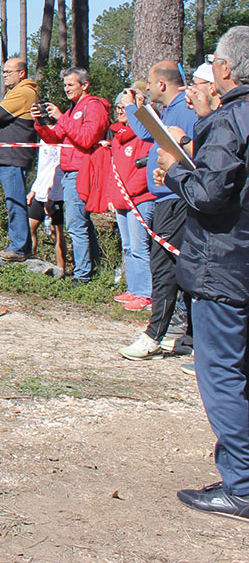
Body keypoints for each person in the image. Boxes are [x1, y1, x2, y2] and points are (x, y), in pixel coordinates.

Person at [155, 25, 249, 522]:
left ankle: (242, 487)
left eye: (213, 61)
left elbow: (210, 195)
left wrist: (175, 169)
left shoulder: (228, 120)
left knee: (222, 376)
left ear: (226, 69)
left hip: (224, 268)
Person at [119, 60, 199, 359]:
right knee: (179, 266)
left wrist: (131, 107)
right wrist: (137, 108)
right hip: (169, 197)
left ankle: (154, 335)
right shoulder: (173, 109)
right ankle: (189, 336)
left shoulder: (184, 110)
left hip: (175, 199)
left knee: (163, 265)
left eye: (151, 84)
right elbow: (149, 134)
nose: (149, 88)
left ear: (162, 84)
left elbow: (189, 151)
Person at [33, 67, 110, 283]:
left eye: (71, 85)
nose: (66, 89)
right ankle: (92, 269)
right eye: (65, 85)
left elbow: (87, 138)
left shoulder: (94, 107)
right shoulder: (71, 110)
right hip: (69, 172)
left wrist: (60, 118)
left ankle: (82, 275)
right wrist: (40, 122)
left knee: (75, 224)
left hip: (83, 171)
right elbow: (55, 138)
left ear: (84, 85)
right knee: (81, 222)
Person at [106, 89, 155, 317]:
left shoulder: (144, 134)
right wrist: (113, 196)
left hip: (140, 199)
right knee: (127, 246)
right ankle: (133, 289)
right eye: (118, 108)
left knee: (139, 246)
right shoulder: (117, 136)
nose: (120, 111)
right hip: (122, 200)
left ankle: (146, 293)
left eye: (124, 107)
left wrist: (130, 192)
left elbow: (144, 169)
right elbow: (114, 169)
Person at [0, 58, 40, 261]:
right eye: (3, 71)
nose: (4, 75)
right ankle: (20, 246)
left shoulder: (23, 92)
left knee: (15, 201)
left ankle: (18, 247)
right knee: (14, 200)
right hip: (10, 156)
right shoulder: (17, 92)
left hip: (14, 157)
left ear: (21, 73)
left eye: (9, 71)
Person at [26, 141, 66, 274]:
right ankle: (31, 263)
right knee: (30, 228)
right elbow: (42, 169)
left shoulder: (60, 141)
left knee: (57, 234)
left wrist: (52, 196)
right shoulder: (43, 141)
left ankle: (61, 270)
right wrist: (34, 189)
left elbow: (59, 170)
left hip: (55, 195)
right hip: (40, 193)